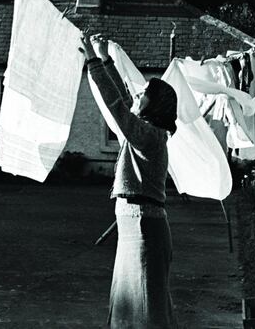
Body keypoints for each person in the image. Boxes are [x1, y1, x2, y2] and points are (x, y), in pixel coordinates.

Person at [79, 33, 179, 329]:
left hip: (143, 229)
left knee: (147, 314)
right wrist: (105, 56)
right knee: (131, 311)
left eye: (144, 92)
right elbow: (124, 99)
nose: (138, 95)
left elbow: (117, 105)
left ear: (156, 104)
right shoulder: (144, 131)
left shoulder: (149, 135)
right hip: (135, 226)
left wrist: (93, 61)